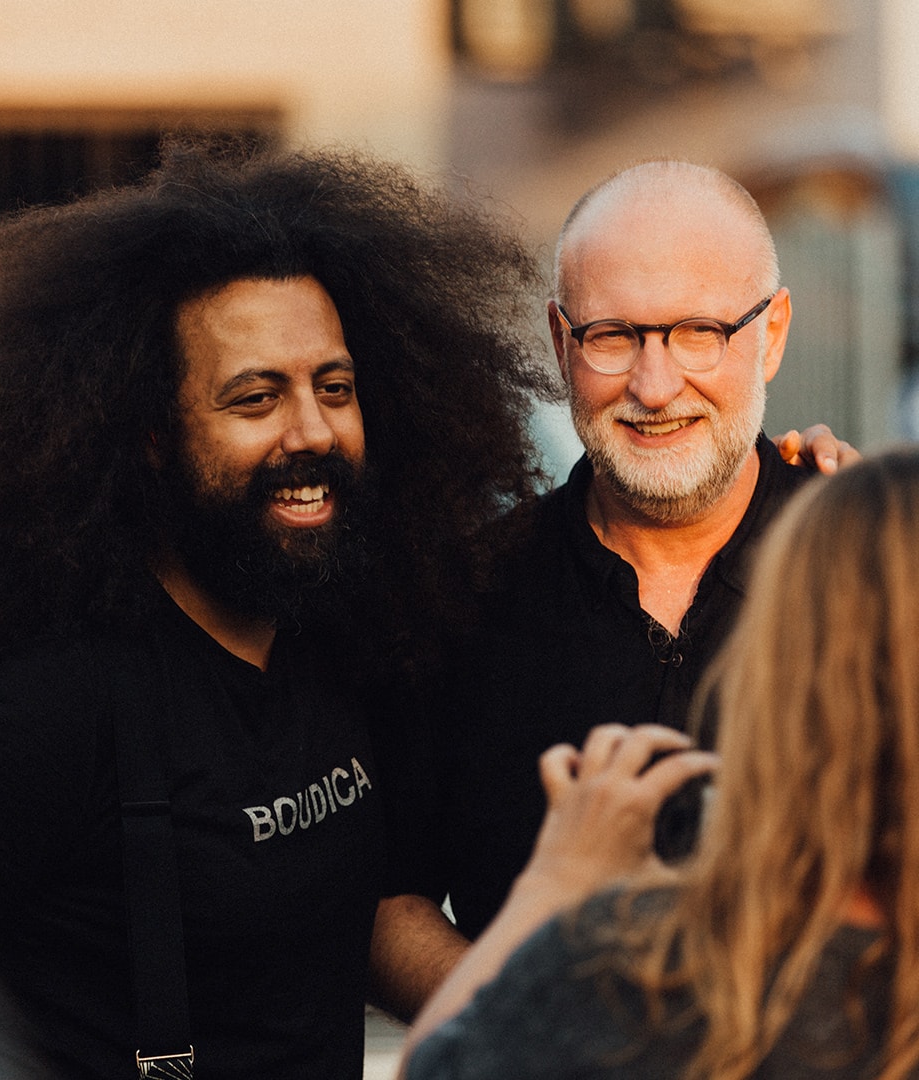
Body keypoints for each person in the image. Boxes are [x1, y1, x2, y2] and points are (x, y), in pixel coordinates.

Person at [0, 139, 557, 1080]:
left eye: (333, 388)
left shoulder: (331, 630)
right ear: (146, 437)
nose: (312, 431)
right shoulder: (32, 698)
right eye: (255, 398)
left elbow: (366, 913)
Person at [369, 159, 860, 1017]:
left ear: (773, 333)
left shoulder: (875, 573)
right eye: (614, 336)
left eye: (700, 331)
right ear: (562, 343)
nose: (655, 385)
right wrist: (527, 1041)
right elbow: (386, 903)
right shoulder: (456, 598)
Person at [398, 444, 919, 1080]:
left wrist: (554, 883)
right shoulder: (466, 589)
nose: (657, 385)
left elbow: (432, 1067)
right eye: (616, 336)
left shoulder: (666, 991)